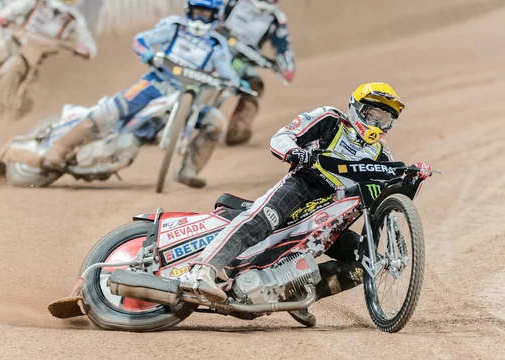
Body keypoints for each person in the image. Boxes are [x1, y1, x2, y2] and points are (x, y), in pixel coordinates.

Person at [185, 82, 433, 325]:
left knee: (364, 263)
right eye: (374, 114)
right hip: (302, 186)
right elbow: (282, 136)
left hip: (333, 213)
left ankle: (299, 295)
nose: (378, 124)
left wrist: (413, 180)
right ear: (357, 108)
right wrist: (295, 152)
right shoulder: (329, 119)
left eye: (385, 118)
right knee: (259, 221)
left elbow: (392, 201)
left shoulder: (382, 156)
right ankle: (202, 271)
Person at [42, 0, 249, 188]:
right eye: (197, 12)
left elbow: (227, 72)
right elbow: (141, 40)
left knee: (217, 122)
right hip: (154, 84)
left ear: (215, 16)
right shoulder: (173, 27)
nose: (200, 18)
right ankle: (59, 147)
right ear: (189, 10)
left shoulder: (216, 45)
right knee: (108, 112)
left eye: (206, 14)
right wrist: (148, 54)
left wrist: (238, 84)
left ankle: (189, 170)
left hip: (190, 98)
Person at [217, 0, 296, 146]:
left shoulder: (277, 19)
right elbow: (207, 11)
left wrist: (287, 68)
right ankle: (156, 119)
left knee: (255, 84)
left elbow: (283, 46)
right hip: (212, 49)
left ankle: (238, 130)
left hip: (240, 60)